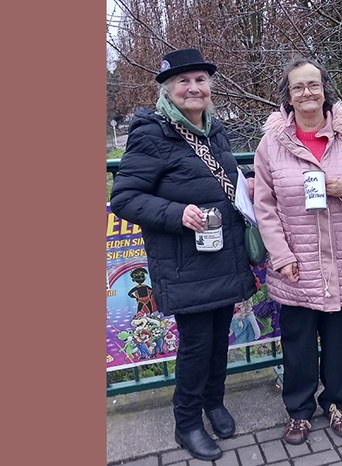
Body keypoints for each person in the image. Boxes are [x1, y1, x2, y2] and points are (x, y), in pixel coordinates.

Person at [110, 48, 256, 461]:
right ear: (168, 89)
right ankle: (187, 422)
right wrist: (178, 214)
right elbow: (125, 197)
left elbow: (227, 182)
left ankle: (214, 403)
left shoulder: (215, 131)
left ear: (210, 88)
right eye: (184, 82)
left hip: (224, 257)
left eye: (201, 81)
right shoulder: (152, 134)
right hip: (184, 263)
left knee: (218, 341)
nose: (194, 88)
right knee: (195, 345)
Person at [252, 57, 342, 445]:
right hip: (296, 264)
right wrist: (281, 256)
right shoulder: (272, 144)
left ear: (325, 90)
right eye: (298, 86)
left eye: (314, 85)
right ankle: (299, 411)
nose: (307, 92)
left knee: (338, 339)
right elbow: (264, 206)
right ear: (288, 95)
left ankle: (336, 402)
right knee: (298, 343)